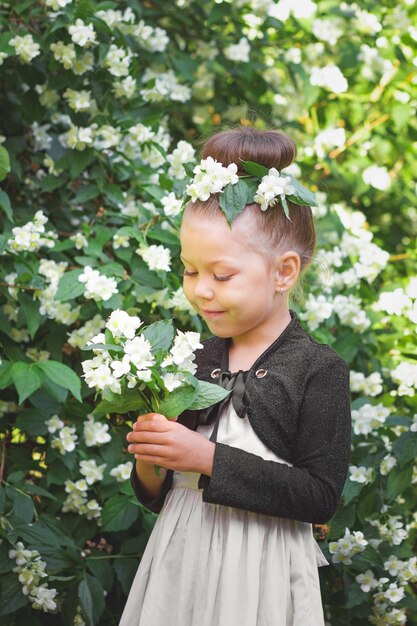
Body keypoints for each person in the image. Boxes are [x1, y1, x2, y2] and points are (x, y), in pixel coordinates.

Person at [119, 127, 352, 626]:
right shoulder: (191, 357)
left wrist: (207, 458)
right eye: (188, 270)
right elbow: (161, 493)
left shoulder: (317, 369)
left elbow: (320, 495)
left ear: (283, 272)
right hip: (180, 563)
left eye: (221, 275)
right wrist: (151, 458)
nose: (201, 291)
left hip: (261, 573)